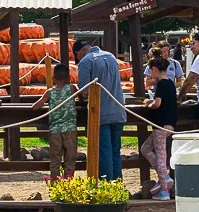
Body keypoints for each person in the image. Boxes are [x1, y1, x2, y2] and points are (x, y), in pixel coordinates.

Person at [72, 37, 127, 182]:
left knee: (104, 152)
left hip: (101, 113)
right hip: (118, 111)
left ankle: (106, 186)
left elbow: (85, 91)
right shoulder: (111, 57)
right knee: (115, 151)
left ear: (78, 54)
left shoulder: (85, 62)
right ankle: (117, 186)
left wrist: (76, 92)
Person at [32, 62, 79, 181]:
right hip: (70, 129)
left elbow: (36, 106)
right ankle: (69, 181)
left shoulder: (49, 92)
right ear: (68, 78)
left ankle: (55, 182)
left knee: (55, 159)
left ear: (53, 78)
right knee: (70, 158)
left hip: (55, 130)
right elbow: (82, 95)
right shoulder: (72, 88)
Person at [140, 56, 178, 198]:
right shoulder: (170, 83)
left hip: (161, 124)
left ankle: (164, 189)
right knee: (145, 148)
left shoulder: (161, 84)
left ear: (155, 69)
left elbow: (157, 104)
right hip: (169, 123)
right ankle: (165, 178)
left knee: (161, 155)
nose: (150, 74)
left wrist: (148, 104)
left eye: (151, 71)